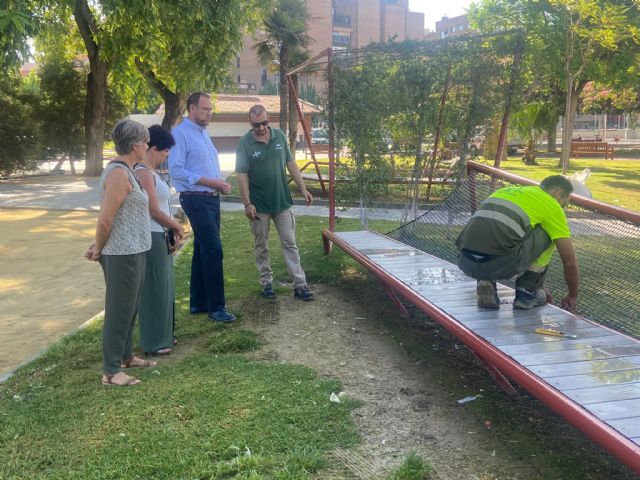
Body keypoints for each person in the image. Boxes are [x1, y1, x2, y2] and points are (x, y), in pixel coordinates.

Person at [85, 119, 155, 387]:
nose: (148, 146)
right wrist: (99, 247)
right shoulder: (117, 173)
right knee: (119, 309)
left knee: (131, 306)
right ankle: (111, 370)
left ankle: (125, 356)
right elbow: (105, 220)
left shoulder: (129, 171)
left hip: (135, 248)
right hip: (121, 252)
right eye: (146, 142)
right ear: (135, 145)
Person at [455, 175, 579, 312]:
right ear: (558, 192)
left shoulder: (506, 191)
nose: (565, 205)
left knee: (501, 236)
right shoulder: (552, 205)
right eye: (566, 199)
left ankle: (486, 280)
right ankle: (526, 291)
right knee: (551, 233)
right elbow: (569, 262)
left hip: (466, 261)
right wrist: (572, 295)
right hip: (500, 264)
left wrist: (541, 286)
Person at [168, 92, 235, 322]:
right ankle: (217, 307)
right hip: (195, 199)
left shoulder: (203, 134)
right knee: (214, 250)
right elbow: (176, 170)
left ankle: (198, 302)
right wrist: (211, 182)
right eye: (205, 109)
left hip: (211, 199)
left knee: (202, 249)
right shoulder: (180, 134)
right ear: (192, 108)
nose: (209, 114)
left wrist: (220, 184)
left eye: (211, 110)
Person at [235, 104, 314, 301]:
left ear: (268, 119)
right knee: (262, 245)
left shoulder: (279, 136)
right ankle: (266, 283)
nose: (261, 128)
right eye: (256, 125)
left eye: (264, 123)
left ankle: (300, 285)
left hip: (282, 202)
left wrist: (303, 188)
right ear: (250, 122)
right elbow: (242, 175)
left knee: (290, 243)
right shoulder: (245, 143)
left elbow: (291, 163)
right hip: (259, 206)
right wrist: (247, 203)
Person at [134, 125, 184, 356]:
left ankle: (164, 334)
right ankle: (154, 340)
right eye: (164, 153)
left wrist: (172, 228)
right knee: (154, 287)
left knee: (165, 287)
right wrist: (176, 226)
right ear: (153, 149)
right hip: (152, 235)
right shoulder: (143, 172)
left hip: (162, 234)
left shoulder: (152, 172)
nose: (166, 158)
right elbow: (153, 209)